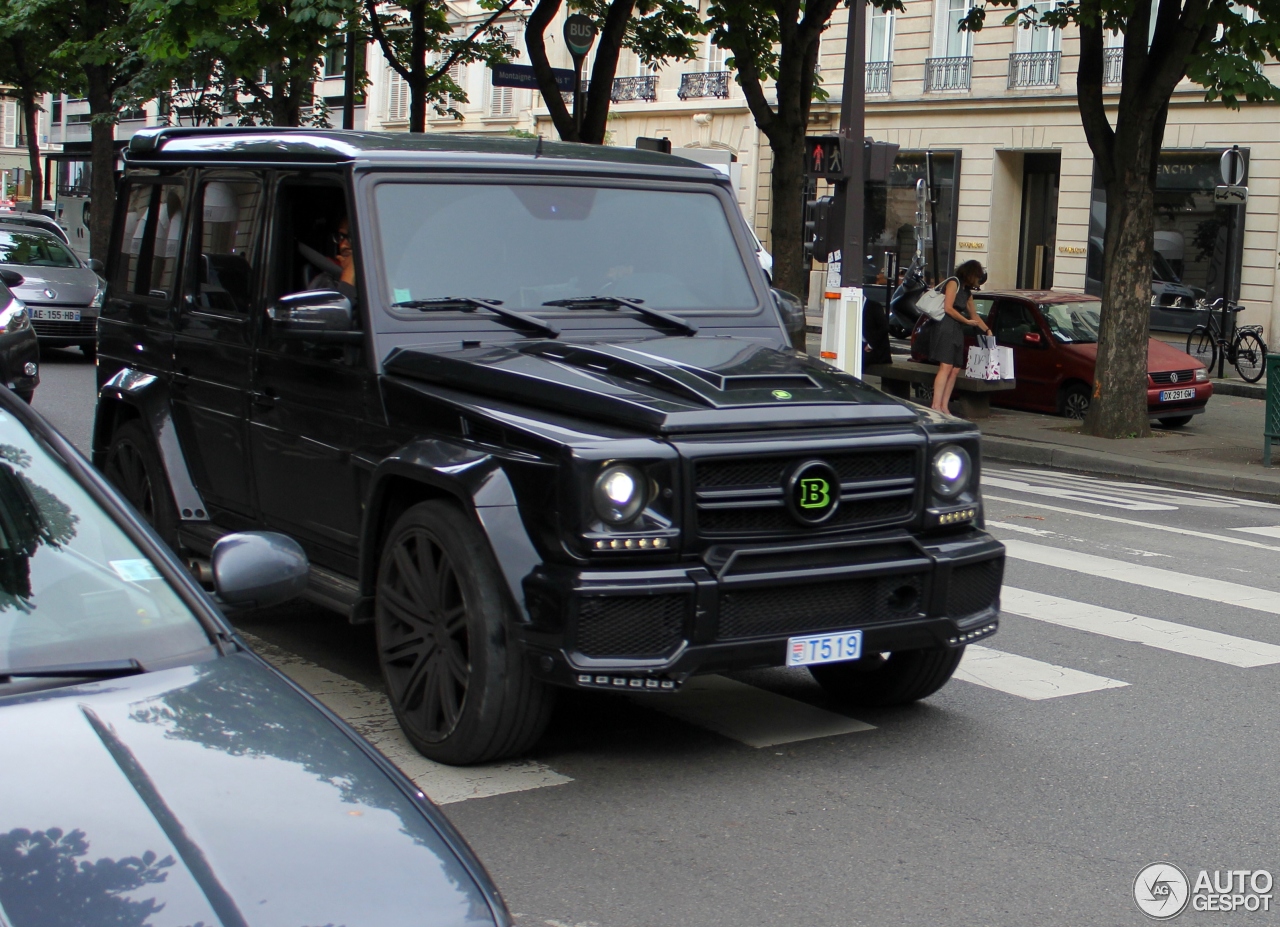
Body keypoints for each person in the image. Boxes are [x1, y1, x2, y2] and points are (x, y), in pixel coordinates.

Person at [929, 260, 991, 414]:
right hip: (945, 326)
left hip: (957, 329)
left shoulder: (967, 292)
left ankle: (944, 405)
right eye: (977, 277)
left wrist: (987, 329)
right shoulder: (953, 283)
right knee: (946, 366)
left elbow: (974, 315)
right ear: (970, 274)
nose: (978, 281)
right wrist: (966, 321)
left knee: (955, 369)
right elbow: (948, 308)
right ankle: (936, 405)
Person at [306, 216, 357, 299]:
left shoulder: (383, 277)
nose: (343, 245)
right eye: (341, 236)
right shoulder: (325, 282)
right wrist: (348, 275)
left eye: (351, 237)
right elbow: (335, 311)